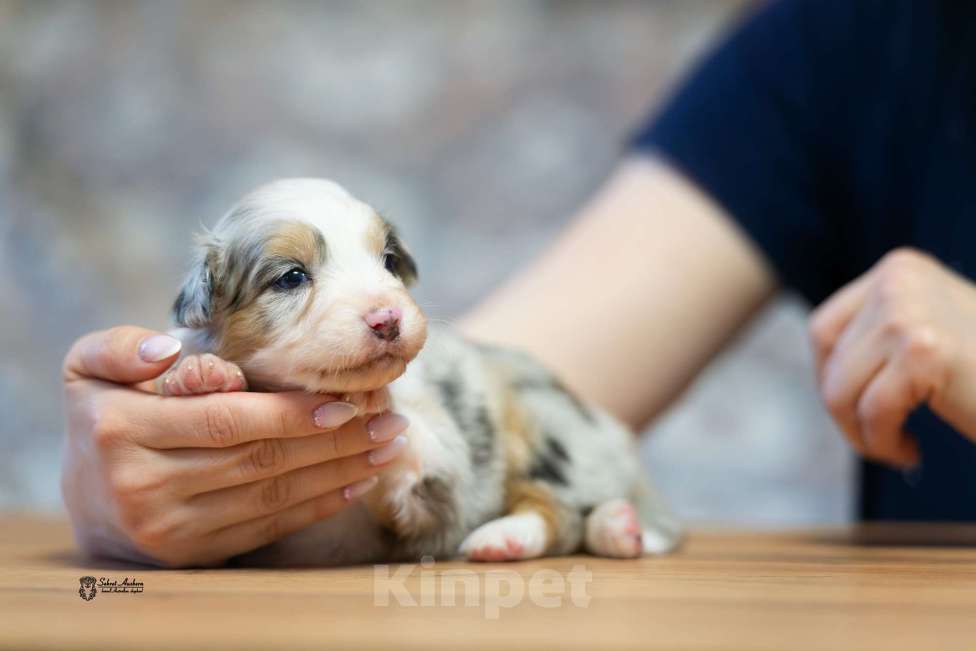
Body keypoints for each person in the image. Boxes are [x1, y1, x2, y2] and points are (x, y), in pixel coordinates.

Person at [62, 0, 976, 567]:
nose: (382, 304)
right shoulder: (863, 33)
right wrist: (153, 478)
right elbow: (521, 379)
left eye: (386, 262)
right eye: (298, 276)